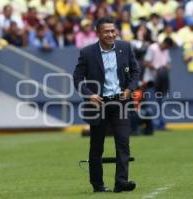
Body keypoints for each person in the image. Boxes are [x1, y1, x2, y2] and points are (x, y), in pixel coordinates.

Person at [73, 16, 140, 193]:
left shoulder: (125, 48)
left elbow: (135, 72)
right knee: (97, 146)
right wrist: (89, 95)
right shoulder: (87, 53)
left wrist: (129, 89)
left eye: (113, 31)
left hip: (121, 102)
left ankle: (121, 182)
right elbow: (78, 79)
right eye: (106, 31)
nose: (111, 34)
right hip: (99, 104)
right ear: (98, 33)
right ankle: (97, 185)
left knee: (123, 142)